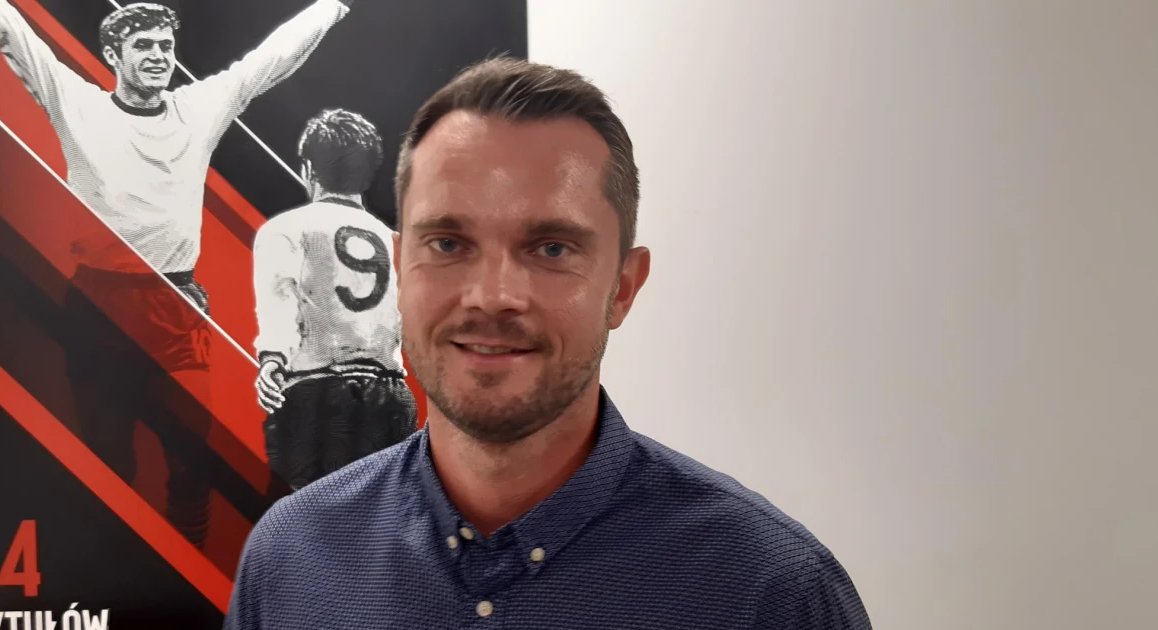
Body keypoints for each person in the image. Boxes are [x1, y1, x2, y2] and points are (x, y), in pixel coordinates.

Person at [224, 57, 872, 629]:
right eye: (447, 243)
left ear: (623, 287)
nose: (492, 296)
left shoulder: (771, 594)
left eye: (551, 248)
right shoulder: (289, 560)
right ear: (401, 269)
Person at [0, 0, 355, 549]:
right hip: (97, 307)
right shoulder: (78, 103)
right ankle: (121, 565)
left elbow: (269, 60)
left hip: (175, 305)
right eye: (143, 46)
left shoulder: (196, 110)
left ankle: (190, 571)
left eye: (165, 47)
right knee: (109, 464)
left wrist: (332, 6)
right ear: (113, 55)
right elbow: (14, 34)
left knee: (193, 461)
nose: (158, 56)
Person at [252, 108, 417, 491]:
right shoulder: (397, 243)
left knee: (302, 518)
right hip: (391, 397)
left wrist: (272, 360)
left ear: (309, 169)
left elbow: (280, 302)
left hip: (319, 397)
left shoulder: (285, 229)